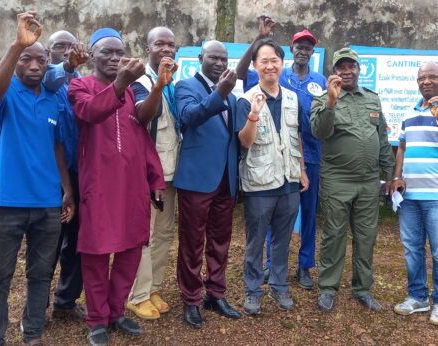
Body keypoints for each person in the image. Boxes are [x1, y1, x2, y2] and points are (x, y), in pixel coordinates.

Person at [0, 11, 75, 346]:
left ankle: (32, 333)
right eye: (26, 59)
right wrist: (18, 43)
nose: (35, 66)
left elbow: (58, 147)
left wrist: (67, 190)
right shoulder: (6, 94)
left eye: (41, 60)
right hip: (7, 204)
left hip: (47, 206)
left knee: (41, 274)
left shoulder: (53, 98)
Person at [67, 28, 165, 346]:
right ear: (92, 56)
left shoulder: (134, 89)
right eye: (106, 52)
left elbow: (141, 128)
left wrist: (155, 179)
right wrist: (120, 83)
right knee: (96, 253)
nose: (114, 58)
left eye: (119, 52)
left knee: (131, 250)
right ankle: (97, 320)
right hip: (98, 184)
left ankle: (116, 312)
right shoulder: (80, 86)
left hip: (132, 184)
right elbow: (90, 112)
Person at [236, 19, 326, 289]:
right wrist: (258, 38)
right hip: (272, 159)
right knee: (272, 215)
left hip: (307, 157)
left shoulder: (319, 80)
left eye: (308, 47)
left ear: (313, 52)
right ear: (291, 49)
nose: (303, 50)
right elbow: (242, 72)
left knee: (307, 215)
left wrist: (302, 168)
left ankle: (304, 266)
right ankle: (269, 267)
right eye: (299, 45)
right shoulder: (274, 74)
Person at [310, 48, 395, 313]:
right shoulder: (322, 99)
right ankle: (328, 288)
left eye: (351, 66)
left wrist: (390, 174)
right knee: (334, 234)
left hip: (369, 181)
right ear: (334, 71)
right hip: (337, 179)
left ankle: (362, 289)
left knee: (366, 236)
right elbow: (319, 131)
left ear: (359, 69)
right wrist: (332, 103)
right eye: (341, 67)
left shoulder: (372, 99)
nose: (346, 71)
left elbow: (382, 138)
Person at [236, 39, 309, 315]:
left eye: (274, 60)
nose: (269, 65)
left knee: (282, 238)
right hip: (259, 182)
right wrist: (253, 115)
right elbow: (244, 142)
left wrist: (301, 169)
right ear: (255, 66)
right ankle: (253, 290)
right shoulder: (246, 99)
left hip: (289, 181)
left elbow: (297, 136)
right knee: (255, 241)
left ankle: (279, 286)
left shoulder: (292, 97)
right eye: (263, 61)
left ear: (282, 64)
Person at [174, 40, 243, 328]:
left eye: (224, 59)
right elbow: (190, 116)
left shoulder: (231, 92)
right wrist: (222, 91)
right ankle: (191, 298)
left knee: (220, 241)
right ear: (200, 57)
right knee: (192, 243)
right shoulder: (185, 86)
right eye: (213, 57)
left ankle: (215, 293)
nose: (219, 63)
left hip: (225, 179)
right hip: (197, 179)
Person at [392, 62, 438, 326]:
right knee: (412, 249)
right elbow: (401, 148)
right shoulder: (409, 113)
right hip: (410, 197)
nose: (426, 81)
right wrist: (397, 177)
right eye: (421, 78)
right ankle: (418, 297)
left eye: (431, 77)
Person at [126, 26, 180, 320]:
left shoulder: (172, 82)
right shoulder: (140, 80)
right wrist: (158, 84)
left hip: (171, 171)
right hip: (147, 173)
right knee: (144, 235)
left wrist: (165, 83)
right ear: (148, 47)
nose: (166, 49)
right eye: (160, 43)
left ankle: (154, 286)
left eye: (171, 45)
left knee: (164, 233)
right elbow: (142, 115)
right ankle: (138, 294)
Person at [42, 30, 89, 322]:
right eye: (59, 46)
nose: (66, 51)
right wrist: (67, 66)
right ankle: (37, 307)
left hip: (81, 173)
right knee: (48, 242)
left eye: (70, 47)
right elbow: (52, 79)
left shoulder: (83, 83)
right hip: (51, 175)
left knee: (78, 240)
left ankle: (66, 300)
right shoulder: (45, 79)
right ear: (49, 53)